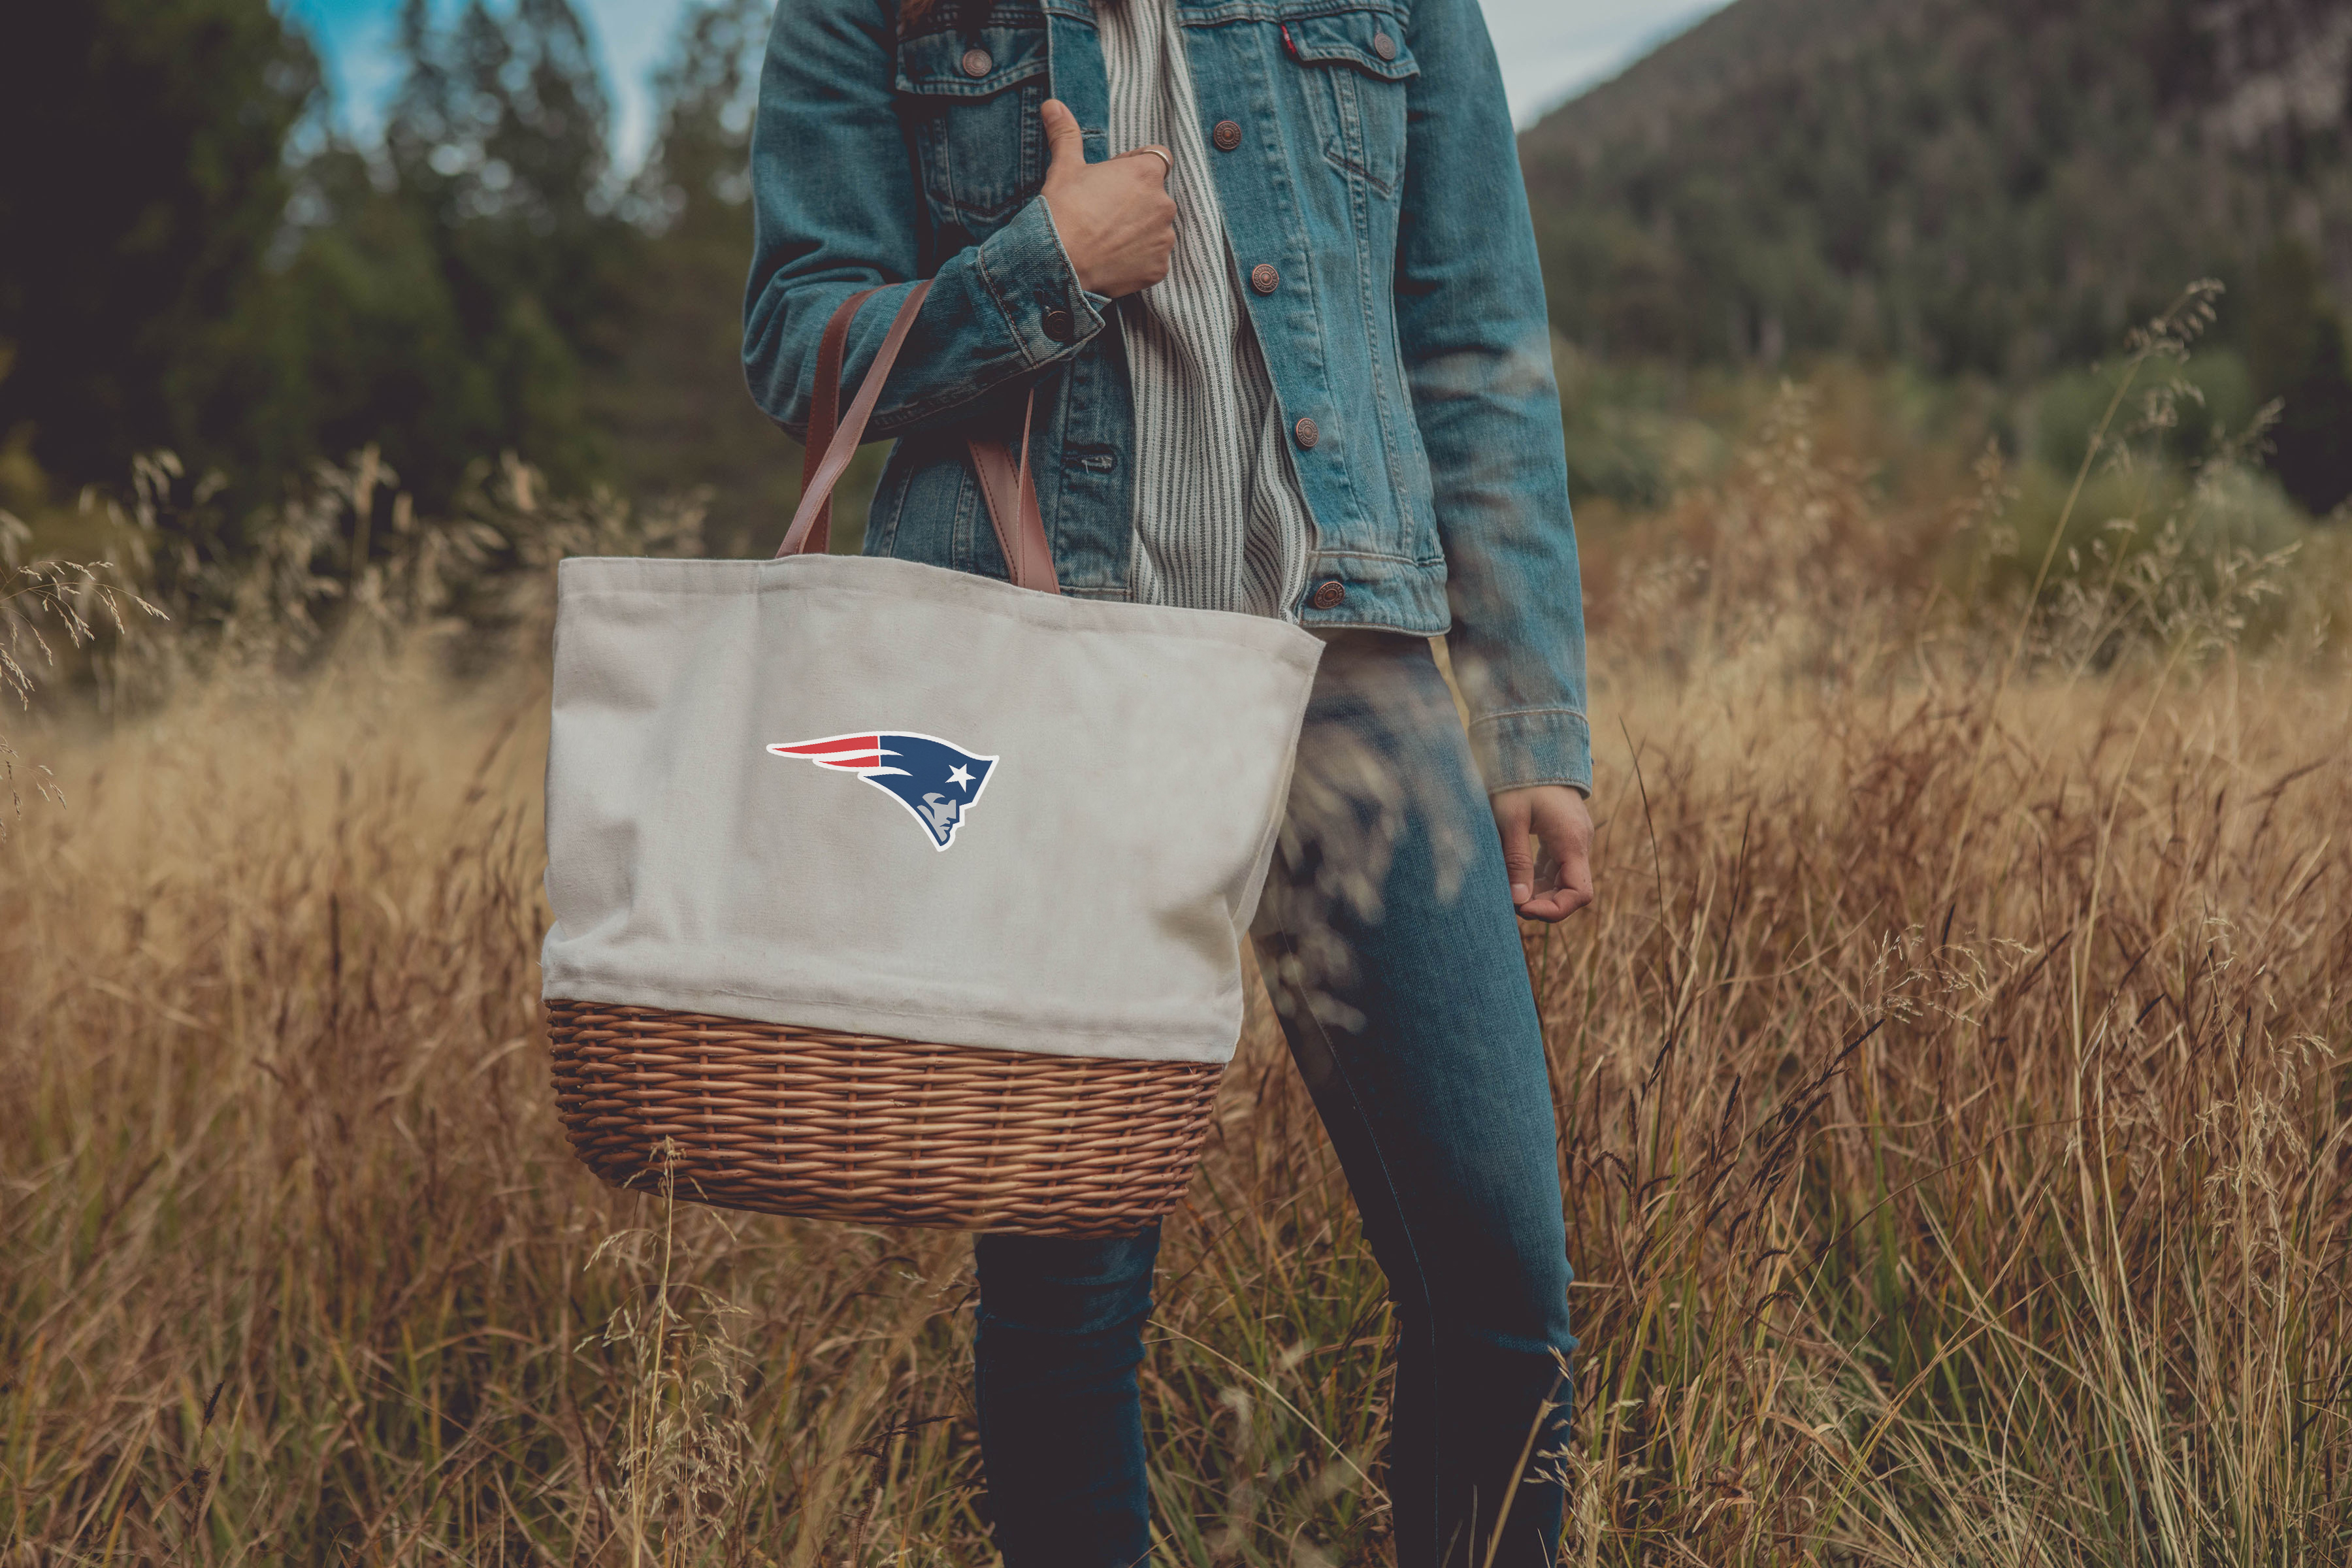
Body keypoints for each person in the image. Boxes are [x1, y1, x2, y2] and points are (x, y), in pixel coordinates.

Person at [745, 0, 1594, 1561]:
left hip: (1353, 677)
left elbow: (1473, 338)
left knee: (1500, 1280)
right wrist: (1038, 271)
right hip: (1051, 686)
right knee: (1070, 1301)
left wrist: (1533, 714)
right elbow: (798, 337)